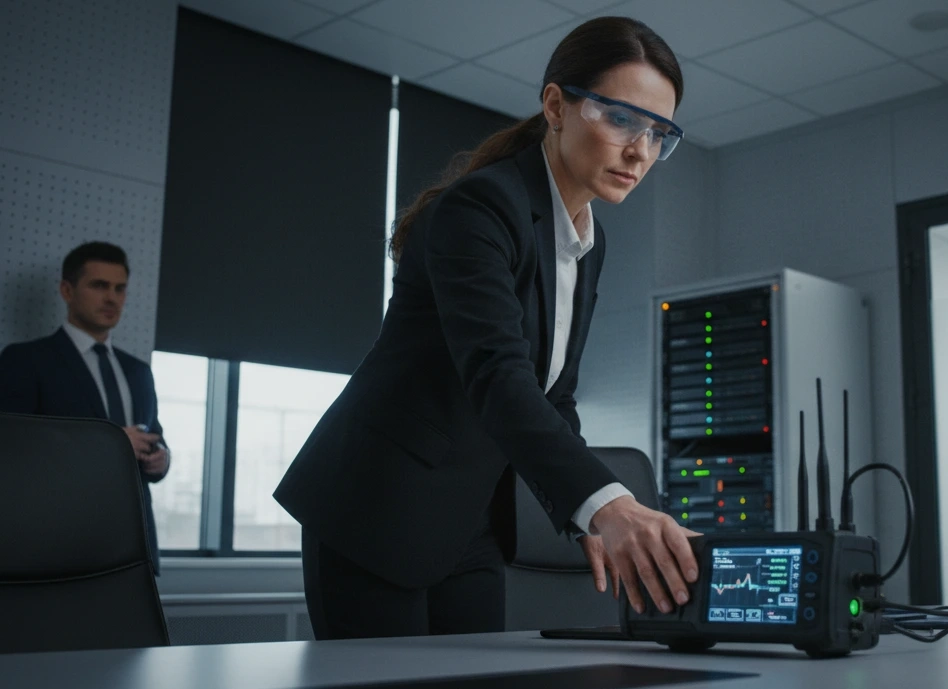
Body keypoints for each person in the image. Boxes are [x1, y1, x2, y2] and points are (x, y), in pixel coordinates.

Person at [273, 16, 697, 639]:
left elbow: (555, 396)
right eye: (621, 118)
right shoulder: (480, 208)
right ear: (557, 105)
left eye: (659, 132)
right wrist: (607, 506)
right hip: (377, 505)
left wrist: (583, 515)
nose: (640, 150)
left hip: (468, 517)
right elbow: (498, 376)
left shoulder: (587, 239)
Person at [0, 241, 170, 575]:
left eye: (120, 288)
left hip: (134, 551)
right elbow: (12, 450)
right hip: (55, 545)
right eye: (99, 285)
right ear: (67, 290)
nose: (112, 298)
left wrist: (161, 457)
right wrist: (108, 443)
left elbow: (153, 435)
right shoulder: (25, 360)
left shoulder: (138, 371)